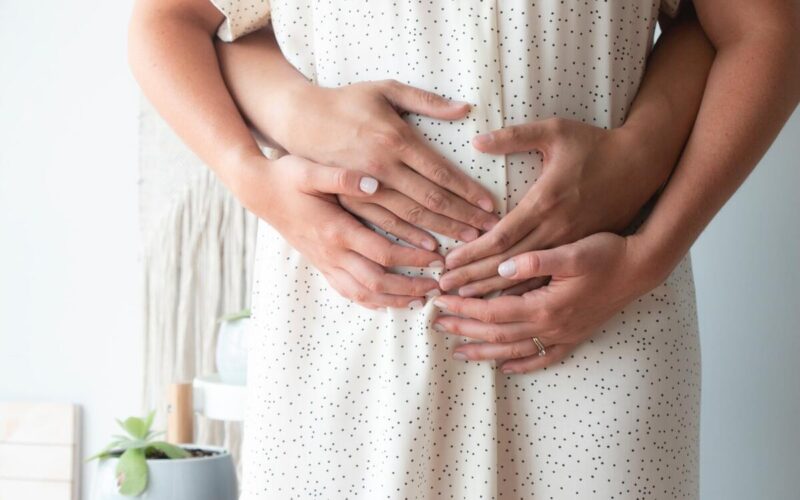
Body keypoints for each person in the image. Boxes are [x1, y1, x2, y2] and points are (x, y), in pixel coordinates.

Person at [127, 0, 799, 497]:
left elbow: (759, 27)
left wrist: (649, 249)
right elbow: (175, 19)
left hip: (597, 321)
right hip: (348, 335)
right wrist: (256, 177)